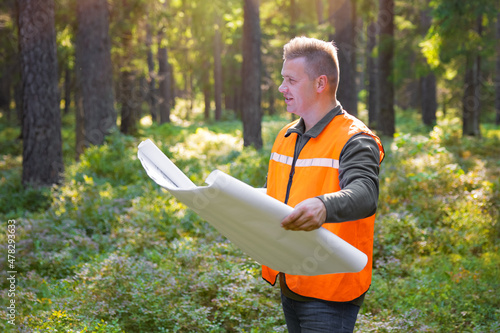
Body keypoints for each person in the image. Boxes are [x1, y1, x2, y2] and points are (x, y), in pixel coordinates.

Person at [262, 36, 385, 332]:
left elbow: (365, 193)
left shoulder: (356, 139)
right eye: (282, 79)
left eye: (290, 80)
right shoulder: (286, 136)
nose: (281, 88)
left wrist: (323, 205)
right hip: (291, 278)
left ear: (320, 84)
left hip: (331, 288)